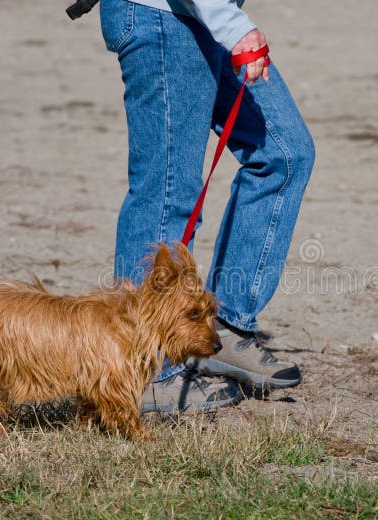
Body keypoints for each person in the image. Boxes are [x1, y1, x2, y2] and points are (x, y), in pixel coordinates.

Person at [99, 0, 316, 412]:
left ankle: (221, 327)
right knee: (167, 191)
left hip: (204, 15)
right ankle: (141, 371)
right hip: (163, 16)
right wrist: (232, 26)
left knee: (285, 155)